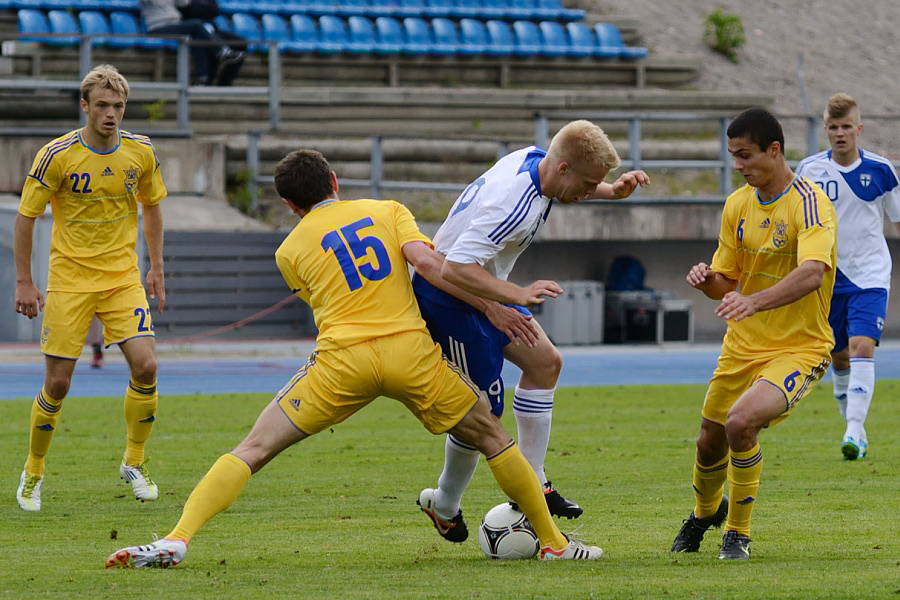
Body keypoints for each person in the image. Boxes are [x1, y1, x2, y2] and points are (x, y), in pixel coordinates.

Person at [105, 149, 603, 569]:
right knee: (493, 436)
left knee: (253, 448)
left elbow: (322, 297)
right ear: (335, 182)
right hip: (411, 353)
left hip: (342, 361)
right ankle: (555, 546)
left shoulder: (287, 251)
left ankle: (179, 537)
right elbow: (433, 267)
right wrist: (496, 304)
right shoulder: (387, 210)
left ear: (289, 204)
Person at [412, 120, 650, 542]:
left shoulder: (539, 162)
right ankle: (445, 503)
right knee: (483, 414)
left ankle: (534, 481)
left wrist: (613, 191)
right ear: (562, 169)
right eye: (590, 182)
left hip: (480, 288)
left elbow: (573, 180)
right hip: (449, 297)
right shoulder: (513, 204)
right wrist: (510, 298)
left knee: (545, 362)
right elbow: (452, 268)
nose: (589, 189)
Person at [670, 107, 836, 560]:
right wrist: (709, 281)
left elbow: (812, 274)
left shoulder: (810, 202)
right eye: (732, 156)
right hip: (742, 345)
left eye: (744, 156)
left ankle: (737, 534)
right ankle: (706, 512)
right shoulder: (738, 204)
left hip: (800, 347)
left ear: (774, 149)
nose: (738, 166)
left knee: (741, 423)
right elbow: (727, 282)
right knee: (709, 439)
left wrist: (752, 300)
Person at [14, 64, 167, 512]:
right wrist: (25, 280)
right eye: (102, 105)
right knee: (58, 384)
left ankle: (134, 462)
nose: (111, 114)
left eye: (118, 106)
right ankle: (34, 471)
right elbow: (26, 218)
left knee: (147, 367)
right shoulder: (56, 155)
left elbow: (153, 206)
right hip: (71, 281)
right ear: (84, 106)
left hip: (121, 279)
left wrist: (155, 267)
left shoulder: (140, 152)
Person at [796, 93, 900, 460]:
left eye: (846, 127)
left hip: (870, 273)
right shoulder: (808, 171)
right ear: (825, 129)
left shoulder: (882, 170)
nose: (840, 133)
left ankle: (854, 432)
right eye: (833, 127)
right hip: (825, 277)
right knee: (838, 356)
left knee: (862, 346)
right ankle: (854, 426)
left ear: (859, 128)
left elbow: (897, 218)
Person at [139, 0, 244, 86]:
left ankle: (202, 79)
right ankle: (222, 51)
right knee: (197, 25)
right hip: (158, 27)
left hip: (175, 24)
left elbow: (185, 3)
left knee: (198, 36)